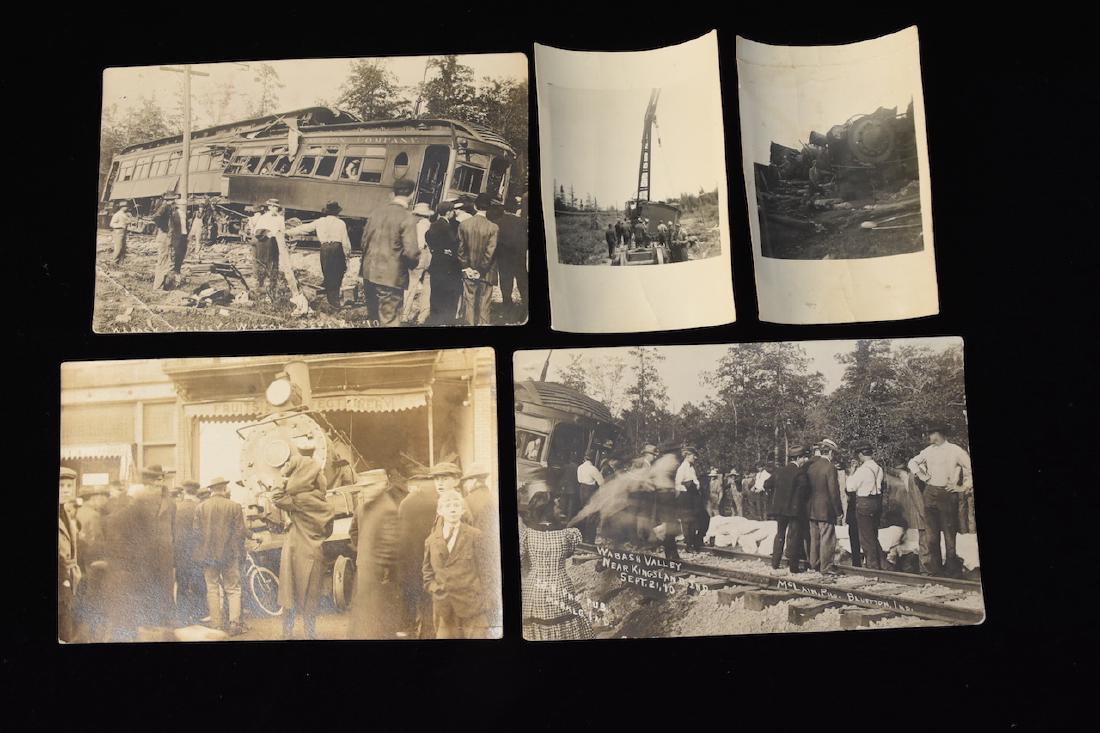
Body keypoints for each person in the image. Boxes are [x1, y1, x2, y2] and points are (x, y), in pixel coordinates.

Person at [271, 441, 335, 639]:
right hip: (313, 551)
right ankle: (310, 634)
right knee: (311, 595)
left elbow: (276, 496)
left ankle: (287, 633)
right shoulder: (324, 505)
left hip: (293, 549)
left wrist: (284, 479)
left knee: (288, 593)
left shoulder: (296, 501)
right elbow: (328, 530)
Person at [520, 491, 593, 640]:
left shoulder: (527, 534)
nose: (560, 509)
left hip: (534, 589)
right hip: (560, 587)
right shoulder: (568, 535)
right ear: (549, 510)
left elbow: (521, 559)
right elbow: (569, 554)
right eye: (557, 506)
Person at [422, 490, 493, 638]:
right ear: (440, 511)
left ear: (462, 510)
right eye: (448, 506)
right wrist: (436, 589)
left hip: (472, 606)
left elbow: (487, 571)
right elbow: (427, 573)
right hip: (445, 607)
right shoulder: (431, 540)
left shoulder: (475, 535)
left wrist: (484, 599)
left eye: (456, 505)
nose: (453, 509)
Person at [397, 463, 457, 637]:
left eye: (443, 479)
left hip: (421, 565)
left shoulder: (407, 502)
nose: (438, 483)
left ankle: (418, 630)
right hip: (433, 568)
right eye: (436, 479)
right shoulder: (436, 503)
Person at [908, 426, 973, 576]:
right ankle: (936, 571)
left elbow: (969, 468)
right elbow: (912, 462)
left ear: (938, 433)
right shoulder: (928, 451)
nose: (928, 436)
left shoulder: (955, 450)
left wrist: (962, 487)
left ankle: (952, 571)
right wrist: (922, 476)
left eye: (930, 433)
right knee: (932, 536)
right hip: (930, 493)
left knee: (949, 535)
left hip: (947, 494)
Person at [347, 473, 402, 639]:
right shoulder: (364, 507)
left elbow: (390, 545)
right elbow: (353, 531)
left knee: (376, 621)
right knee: (364, 618)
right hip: (366, 569)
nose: (367, 490)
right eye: (364, 487)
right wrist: (363, 551)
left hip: (378, 575)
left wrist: (381, 567)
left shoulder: (387, 509)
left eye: (371, 486)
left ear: (383, 485)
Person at [360, 179, 421, 326]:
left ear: (393, 193)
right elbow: (412, 253)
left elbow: (363, 243)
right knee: (389, 320)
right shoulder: (407, 217)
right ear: (412, 194)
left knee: (373, 319)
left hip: (369, 273)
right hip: (391, 277)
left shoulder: (376, 213)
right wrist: (410, 267)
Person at [193, 477, 247, 635]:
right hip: (229, 555)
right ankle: (234, 624)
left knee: (212, 589)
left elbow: (196, 533)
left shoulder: (201, 507)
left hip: (208, 556)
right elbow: (240, 532)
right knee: (233, 589)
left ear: (211, 490)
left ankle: (216, 625)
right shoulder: (234, 506)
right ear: (224, 489)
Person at [286, 200, 352, 308]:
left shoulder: (319, 221)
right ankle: (334, 302)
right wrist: (347, 255)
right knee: (337, 273)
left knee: (327, 271)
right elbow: (345, 242)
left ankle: (329, 295)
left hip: (324, 248)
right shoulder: (341, 223)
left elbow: (304, 228)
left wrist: (288, 232)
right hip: (336, 248)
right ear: (337, 212)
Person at [766, 446, 812, 572]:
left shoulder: (780, 471)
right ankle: (793, 567)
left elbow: (767, 484)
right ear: (798, 458)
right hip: (794, 511)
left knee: (780, 534)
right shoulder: (800, 473)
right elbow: (806, 491)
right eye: (803, 458)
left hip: (780, 511)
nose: (804, 460)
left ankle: (775, 563)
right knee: (794, 537)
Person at [458, 193, 500, 326]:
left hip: (469, 270)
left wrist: (467, 267)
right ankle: (483, 332)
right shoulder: (494, 227)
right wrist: (480, 270)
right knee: (484, 304)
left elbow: (460, 250)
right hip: (486, 272)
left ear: (475, 206)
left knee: (469, 302)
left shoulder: (464, 225)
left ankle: (469, 329)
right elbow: (490, 252)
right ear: (488, 208)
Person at [806, 440, 844, 573]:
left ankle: (813, 564)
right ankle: (826, 566)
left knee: (814, 538)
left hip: (811, 509)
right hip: (825, 509)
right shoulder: (830, 467)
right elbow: (834, 492)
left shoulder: (811, 466)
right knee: (827, 538)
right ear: (831, 452)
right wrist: (838, 511)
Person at [846, 445, 884, 570]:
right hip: (876, 502)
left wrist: (852, 473)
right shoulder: (878, 468)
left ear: (861, 455)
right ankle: (882, 564)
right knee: (873, 534)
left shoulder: (862, 470)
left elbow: (850, 487)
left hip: (864, 502)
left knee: (866, 537)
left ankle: (872, 566)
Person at [173, 480, 206, 625]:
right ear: (196, 492)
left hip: (181, 553)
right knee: (199, 583)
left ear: (184, 492)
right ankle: (199, 615)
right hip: (197, 552)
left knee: (182, 584)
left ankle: (182, 616)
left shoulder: (176, 508)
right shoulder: (200, 507)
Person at [426, 202, 462, 325]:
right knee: (447, 294)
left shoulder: (433, 224)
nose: (454, 213)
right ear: (448, 212)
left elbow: (427, 237)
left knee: (435, 294)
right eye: (452, 211)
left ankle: (434, 320)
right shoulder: (447, 226)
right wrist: (448, 251)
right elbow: (454, 242)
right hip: (447, 266)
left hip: (435, 264)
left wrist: (436, 249)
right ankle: (445, 321)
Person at [490, 202, 528, 316]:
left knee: (506, 282)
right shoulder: (522, 221)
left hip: (504, 258)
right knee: (522, 281)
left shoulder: (496, 223)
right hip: (519, 256)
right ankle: (526, 306)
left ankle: (507, 306)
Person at [58, 468, 81, 642]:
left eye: (69, 485)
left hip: (68, 581)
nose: (66, 489)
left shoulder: (66, 512)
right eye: (61, 485)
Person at [402, 202, 434, 324]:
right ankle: (423, 315)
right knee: (427, 286)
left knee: (411, 284)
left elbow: (418, 244)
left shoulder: (416, 224)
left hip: (418, 256)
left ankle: (404, 314)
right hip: (428, 257)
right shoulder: (428, 224)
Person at [152, 192, 186, 289]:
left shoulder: (168, 208)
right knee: (163, 260)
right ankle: (158, 286)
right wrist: (164, 228)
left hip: (166, 236)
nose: (174, 201)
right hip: (164, 236)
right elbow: (155, 217)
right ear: (169, 200)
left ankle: (161, 285)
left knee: (165, 260)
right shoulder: (165, 207)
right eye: (173, 199)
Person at [675, 446, 704, 551]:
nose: (695, 457)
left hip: (693, 496)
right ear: (687, 456)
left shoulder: (691, 468)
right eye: (693, 455)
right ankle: (688, 544)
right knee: (687, 520)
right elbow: (678, 484)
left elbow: (695, 481)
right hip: (686, 496)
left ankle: (693, 541)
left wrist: (696, 486)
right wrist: (687, 489)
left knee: (694, 519)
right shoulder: (682, 468)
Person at [576, 450, 604, 542]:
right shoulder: (593, 469)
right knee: (592, 514)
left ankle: (581, 535)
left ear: (584, 458)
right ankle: (589, 538)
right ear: (593, 459)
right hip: (590, 490)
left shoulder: (579, 467)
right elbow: (601, 482)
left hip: (581, 489)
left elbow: (579, 480)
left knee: (583, 511)